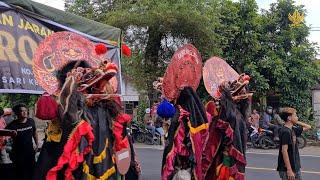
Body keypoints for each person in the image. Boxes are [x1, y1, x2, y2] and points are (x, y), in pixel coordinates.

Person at [6, 104, 39, 180]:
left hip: (30, 152)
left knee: (31, 171)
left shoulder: (31, 121)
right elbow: (3, 133)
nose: (24, 112)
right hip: (18, 154)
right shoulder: (12, 125)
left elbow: (35, 132)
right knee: (19, 173)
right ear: (17, 113)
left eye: (25, 110)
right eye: (22, 111)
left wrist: (36, 144)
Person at [277, 107, 311, 180]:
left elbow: (308, 127)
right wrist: (289, 170)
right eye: (295, 115)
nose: (297, 117)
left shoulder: (292, 129)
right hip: (287, 169)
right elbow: (284, 151)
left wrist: (295, 121)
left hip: (295, 166)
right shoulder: (286, 131)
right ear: (289, 118)